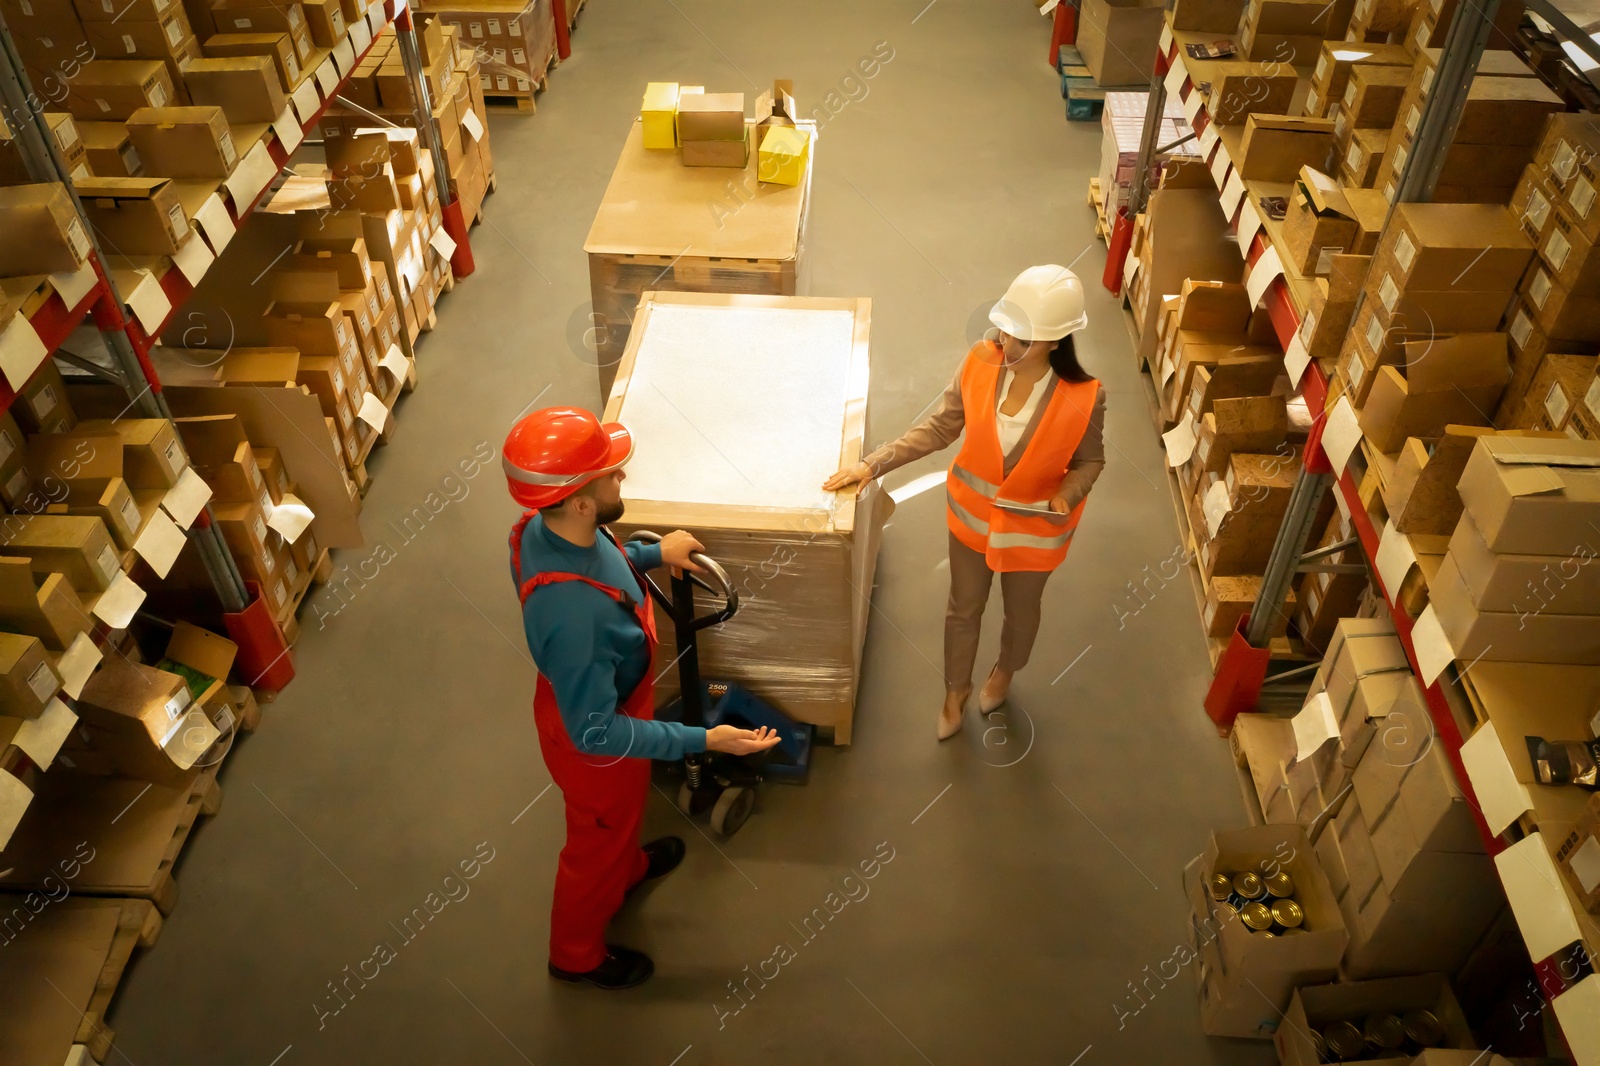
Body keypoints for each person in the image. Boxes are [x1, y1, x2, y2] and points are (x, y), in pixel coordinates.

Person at [504, 406, 780, 990]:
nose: (620, 477)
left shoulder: (545, 530)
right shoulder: (574, 622)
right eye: (610, 474)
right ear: (581, 502)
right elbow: (595, 733)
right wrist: (705, 739)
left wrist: (651, 555)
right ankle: (574, 955)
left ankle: (626, 870)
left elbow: (601, 567)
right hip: (595, 741)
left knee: (622, 824)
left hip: (606, 700)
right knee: (592, 848)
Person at [823, 265, 1106, 741]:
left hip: (1033, 531)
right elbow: (939, 428)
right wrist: (872, 464)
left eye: (1024, 340)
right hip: (971, 521)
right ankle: (955, 692)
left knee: (1021, 614)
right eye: (1006, 330)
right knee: (963, 608)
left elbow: (1090, 462)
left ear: (1056, 342)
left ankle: (1004, 673)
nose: (1008, 346)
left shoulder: (1086, 396)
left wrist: (1067, 494)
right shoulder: (980, 361)